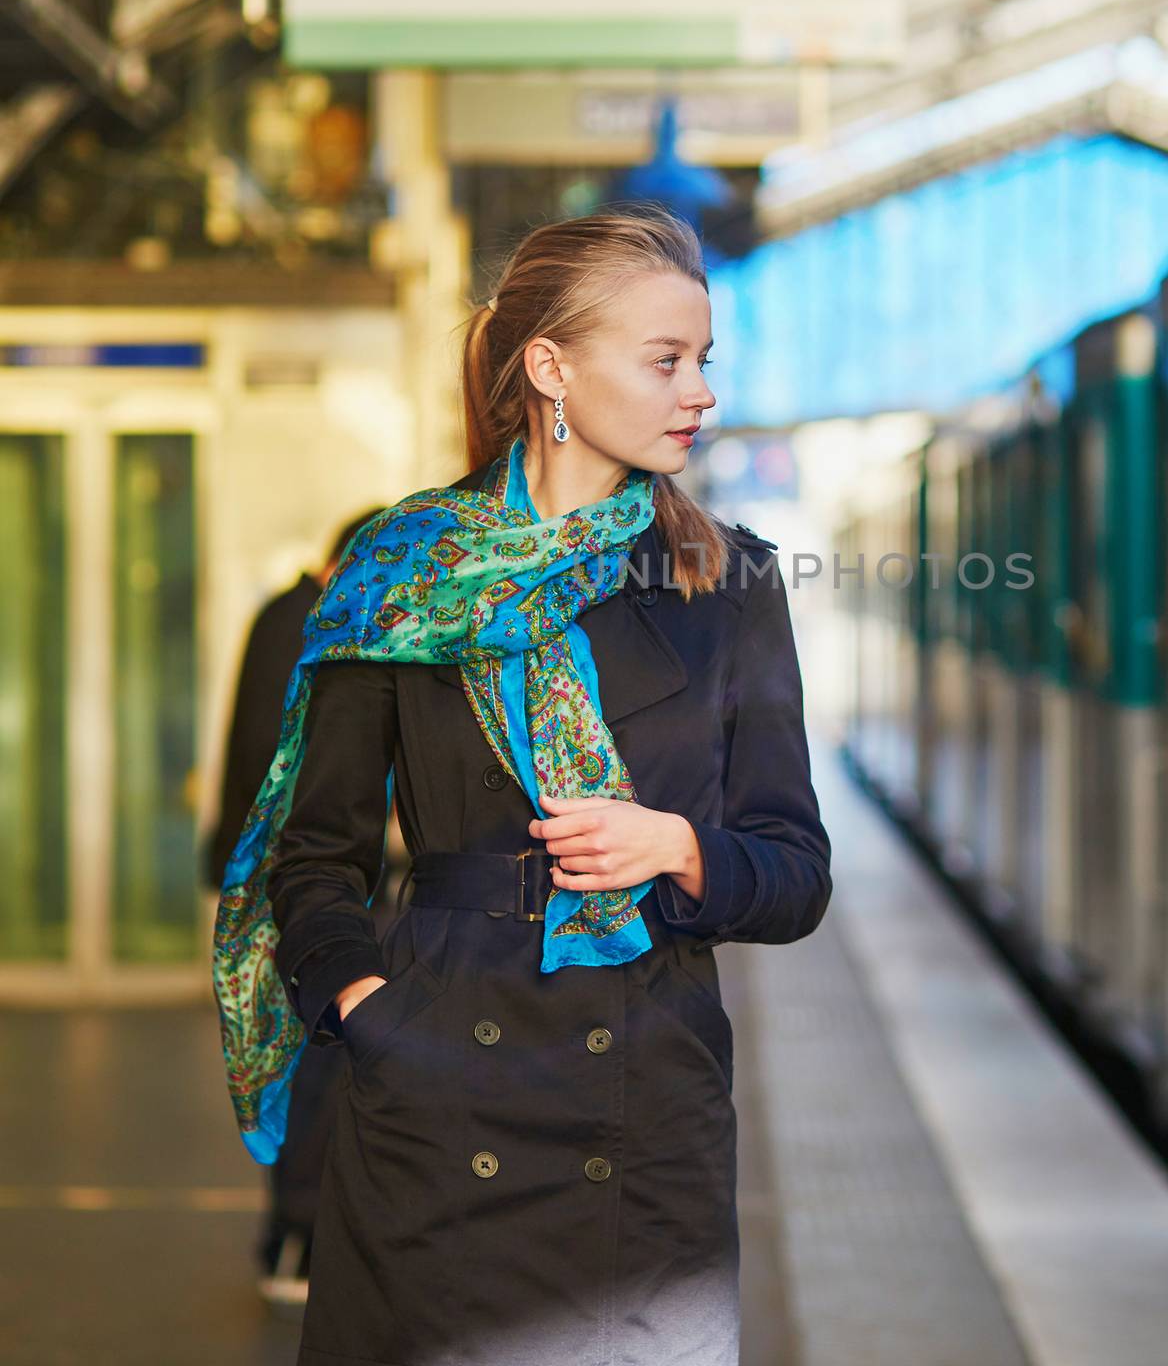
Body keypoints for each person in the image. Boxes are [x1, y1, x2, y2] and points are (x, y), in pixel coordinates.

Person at [213, 205, 832, 1366]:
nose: (698, 391)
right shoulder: (403, 572)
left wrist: (680, 850)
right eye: (666, 361)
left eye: (705, 361)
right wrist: (368, 1014)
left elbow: (795, 871)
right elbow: (315, 856)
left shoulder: (730, 581)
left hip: (645, 1123)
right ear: (550, 367)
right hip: (433, 1104)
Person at [202, 506, 385, 1303]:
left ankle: (298, 1233)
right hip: (294, 879)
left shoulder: (286, 613)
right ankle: (293, 1239)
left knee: (310, 1058)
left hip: (291, 873)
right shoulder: (304, 623)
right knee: (312, 1060)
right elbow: (274, 757)